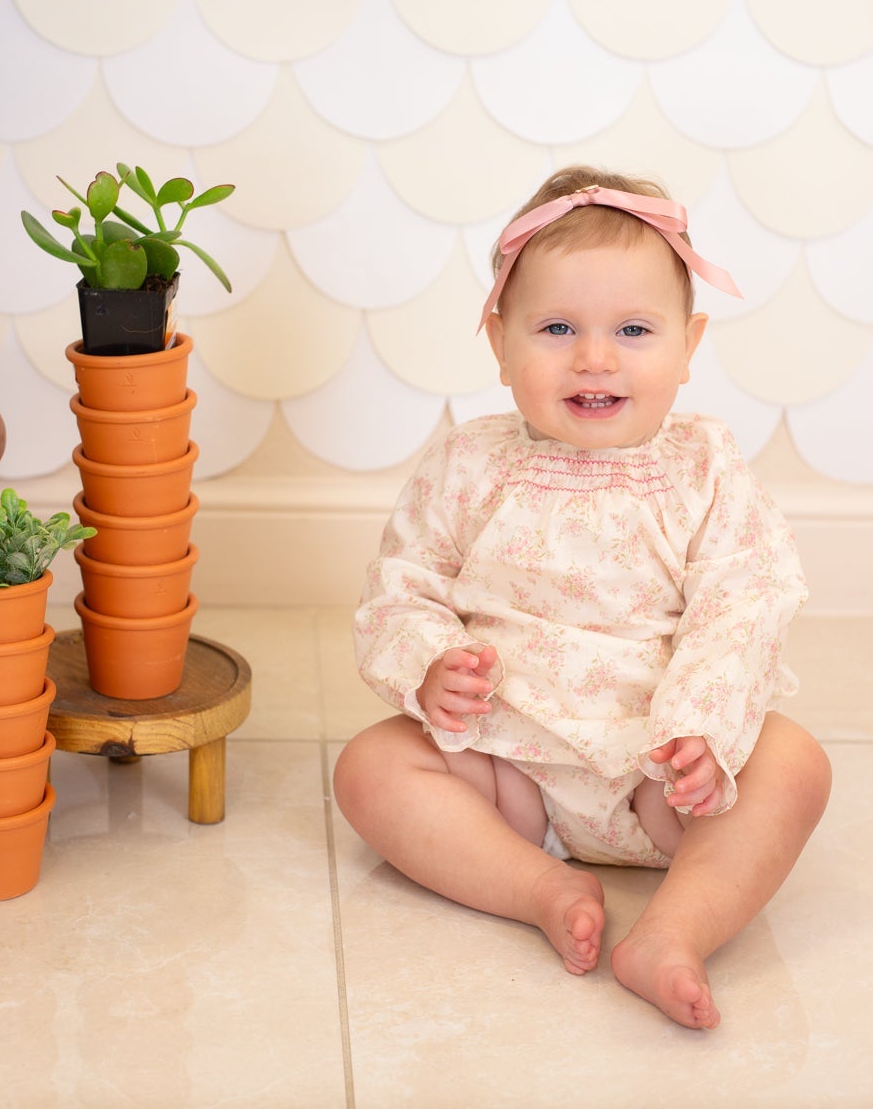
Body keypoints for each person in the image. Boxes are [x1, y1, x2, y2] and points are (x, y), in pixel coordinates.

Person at [335, 166, 832, 1030]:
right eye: (557, 327)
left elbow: (743, 601)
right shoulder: (468, 463)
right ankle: (538, 886)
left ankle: (672, 934)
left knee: (794, 766)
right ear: (500, 341)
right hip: (506, 769)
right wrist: (430, 667)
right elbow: (401, 585)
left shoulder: (705, 468)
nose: (594, 358)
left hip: (664, 776)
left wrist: (703, 730)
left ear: (689, 344)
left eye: (633, 330)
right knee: (369, 770)